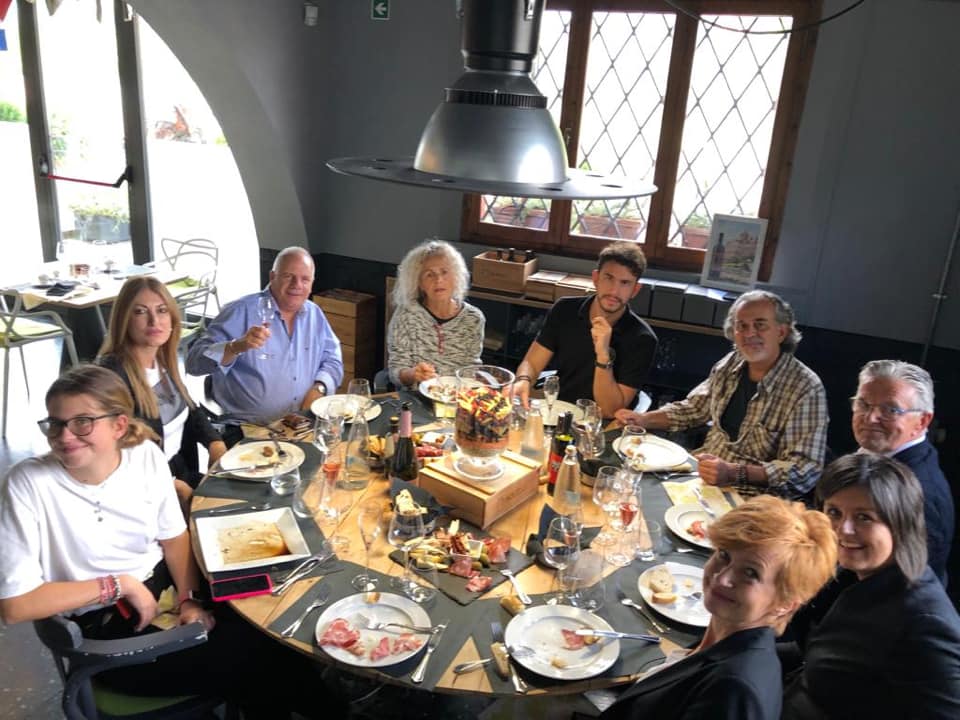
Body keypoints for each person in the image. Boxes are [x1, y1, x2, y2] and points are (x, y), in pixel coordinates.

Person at [0, 365, 338, 718]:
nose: (65, 436)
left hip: (167, 592)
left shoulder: (144, 456)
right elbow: (15, 605)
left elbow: (174, 537)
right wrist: (117, 585)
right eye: (55, 423)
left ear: (118, 425)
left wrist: (189, 599)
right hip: (107, 634)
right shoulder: (29, 483)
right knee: (255, 656)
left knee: (270, 618)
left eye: (82, 422)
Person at [600, 496, 836, 720]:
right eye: (724, 555)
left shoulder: (734, 691)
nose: (722, 578)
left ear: (785, 604)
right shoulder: (726, 637)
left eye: (751, 573)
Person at [779, 453, 960, 719]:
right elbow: (819, 652)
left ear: (901, 524)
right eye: (834, 512)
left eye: (864, 517)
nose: (844, 529)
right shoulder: (857, 574)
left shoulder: (925, 624)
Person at [615, 290, 827, 500]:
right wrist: (643, 419)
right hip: (700, 479)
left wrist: (734, 472)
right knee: (627, 490)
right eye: (741, 326)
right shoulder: (731, 362)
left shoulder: (805, 388)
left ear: (781, 332)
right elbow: (694, 409)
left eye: (760, 325)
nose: (749, 333)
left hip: (756, 500)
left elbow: (804, 471)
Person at [186, 246, 343, 433]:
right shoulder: (240, 311)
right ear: (272, 277)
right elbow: (193, 363)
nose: (297, 285)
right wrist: (235, 347)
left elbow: (333, 358)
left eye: (305, 279)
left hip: (303, 426)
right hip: (248, 431)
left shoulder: (314, 314)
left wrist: (320, 388)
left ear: (312, 283)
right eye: (288, 276)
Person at [97, 276, 225, 503]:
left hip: (181, 474)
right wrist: (172, 486)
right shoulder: (111, 377)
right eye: (140, 312)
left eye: (162, 310)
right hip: (146, 491)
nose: (154, 320)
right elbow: (112, 456)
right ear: (123, 320)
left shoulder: (162, 360)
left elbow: (191, 409)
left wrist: (214, 443)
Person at [510, 241, 657, 418]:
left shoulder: (643, 338)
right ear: (595, 278)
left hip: (600, 425)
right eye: (608, 278)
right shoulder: (564, 309)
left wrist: (603, 355)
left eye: (625, 283)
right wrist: (523, 380)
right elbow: (532, 363)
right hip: (560, 411)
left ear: (635, 290)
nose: (614, 291)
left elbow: (610, 410)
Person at [850, 359, 953, 584]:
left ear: (922, 421)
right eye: (863, 404)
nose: (870, 418)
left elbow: (901, 586)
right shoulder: (876, 453)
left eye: (890, 410)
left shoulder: (919, 493)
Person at [387, 239, 484, 387]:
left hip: (457, 398)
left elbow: (471, 369)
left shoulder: (474, 319)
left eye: (445, 272)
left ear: (456, 276)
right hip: (415, 398)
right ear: (419, 283)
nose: (439, 280)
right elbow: (395, 370)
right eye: (429, 275)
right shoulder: (406, 314)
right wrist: (413, 374)